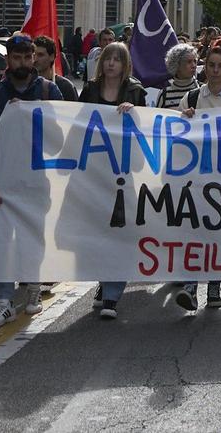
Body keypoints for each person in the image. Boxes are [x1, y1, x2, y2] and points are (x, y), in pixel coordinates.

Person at [0, 34, 55, 326]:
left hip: (38, 182)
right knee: (4, 242)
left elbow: (62, 134)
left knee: (34, 236)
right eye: (17, 57)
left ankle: (34, 288)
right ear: (8, 59)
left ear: (33, 58)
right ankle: (4, 301)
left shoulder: (48, 91)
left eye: (27, 57)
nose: (22, 62)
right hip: (4, 185)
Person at [173, 38, 221, 312]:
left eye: (220, 66)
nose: (215, 70)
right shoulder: (192, 99)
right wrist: (183, 117)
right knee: (193, 233)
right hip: (195, 179)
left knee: (220, 234)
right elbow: (174, 133)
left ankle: (214, 285)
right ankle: (190, 286)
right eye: (211, 65)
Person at [78, 43, 144, 319]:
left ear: (125, 65)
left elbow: (145, 128)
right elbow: (77, 124)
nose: (111, 63)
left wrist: (134, 112)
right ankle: (104, 282)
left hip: (122, 175)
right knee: (97, 233)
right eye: (107, 58)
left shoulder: (135, 92)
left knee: (118, 232)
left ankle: (112, 295)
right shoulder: (90, 90)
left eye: (117, 59)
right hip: (95, 173)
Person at [156, 43, 199, 110]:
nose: (194, 65)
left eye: (195, 61)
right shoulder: (164, 94)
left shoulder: (202, 89)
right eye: (189, 62)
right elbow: (158, 115)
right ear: (176, 65)